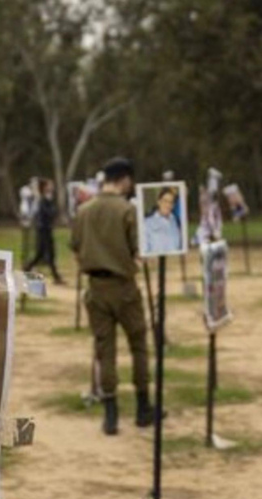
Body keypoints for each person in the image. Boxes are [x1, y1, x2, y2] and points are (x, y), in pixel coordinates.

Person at [71, 157, 155, 436]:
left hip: (96, 287)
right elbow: (139, 251)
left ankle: (111, 414)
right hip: (124, 287)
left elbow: (75, 249)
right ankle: (143, 408)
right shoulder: (127, 210)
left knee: (105, 350)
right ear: (125, 179)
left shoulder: (83, 211)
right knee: (138, 345)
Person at [24, 179, 65, 284]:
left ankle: (28, 267)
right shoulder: (43, 199)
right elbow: (48, 213)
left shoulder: (47, 199)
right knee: (47, 253)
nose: (51, 187)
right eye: (49, 185)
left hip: (46, 228)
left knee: (42, 253)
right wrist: (53, 211)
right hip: (43, 229)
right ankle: (56, 277)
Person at [143, 187, 182, 254]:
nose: (168, 205)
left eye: (171, 202)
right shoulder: (147, 223)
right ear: (159, 202)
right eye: (165, 201)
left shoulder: (175, 221)